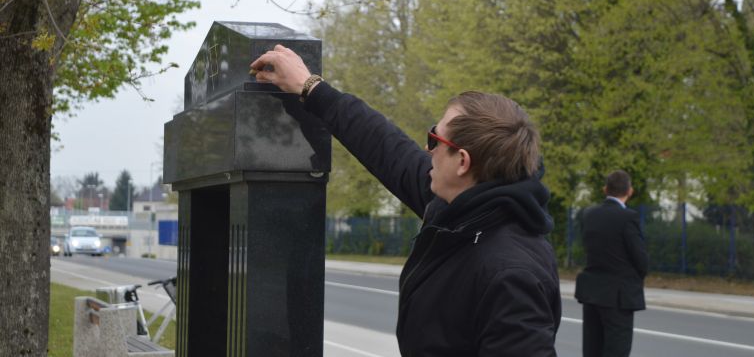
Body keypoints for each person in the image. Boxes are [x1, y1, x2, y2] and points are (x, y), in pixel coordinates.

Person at [250, 45, 561, 357]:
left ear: (462, 162)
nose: (427, 150)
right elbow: (385, 147)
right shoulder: (459, 209)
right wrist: (310, 88)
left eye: (434, 139)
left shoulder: (511, 275)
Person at [575, 170, 648, 357]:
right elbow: (641, 259)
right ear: (629, 191)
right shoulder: (628, 218)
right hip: (618, 296)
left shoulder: (588, 214)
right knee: (616, 350)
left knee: (592, 350)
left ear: (605, 189)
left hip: (591, 292)